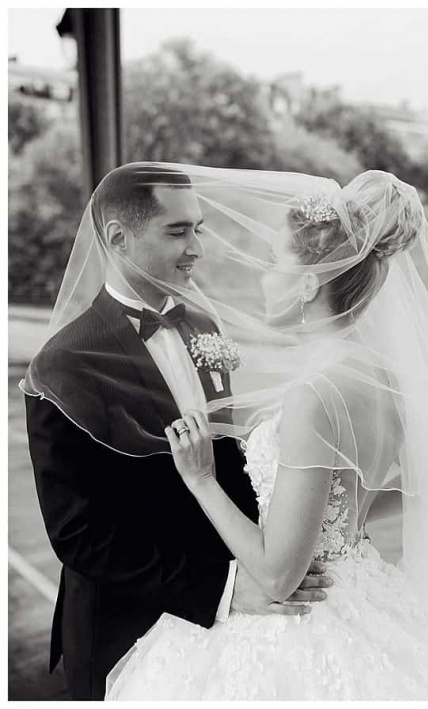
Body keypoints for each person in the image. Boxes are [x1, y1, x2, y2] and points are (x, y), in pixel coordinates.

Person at [22, 164, 328, 700]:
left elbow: (228, 465)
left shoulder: (203, 327)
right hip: (126, 630)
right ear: (118, 238)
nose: (197, 249)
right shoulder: (64, 364)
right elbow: (80, 536)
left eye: (199, 228)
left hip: (230, 621)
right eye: (177, 231)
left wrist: (278, 558)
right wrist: (224, 590)